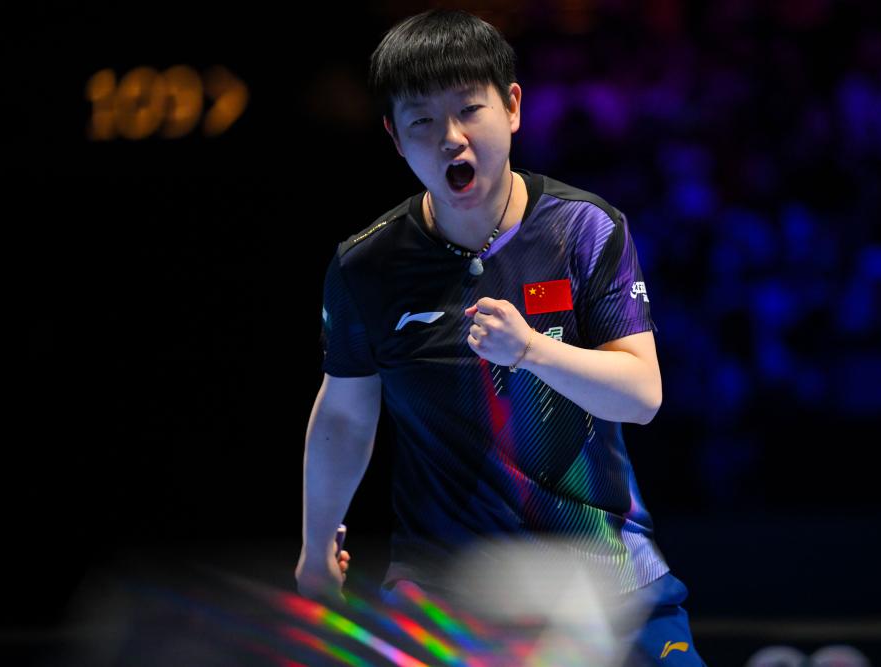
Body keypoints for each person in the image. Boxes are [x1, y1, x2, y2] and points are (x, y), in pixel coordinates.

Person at [295, 8, 706, 666]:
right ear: (394, 137)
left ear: (512, 106)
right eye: (422, 121)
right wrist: (315, 549)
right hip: (445, 592)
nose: (450, 139)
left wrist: (533, 351)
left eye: (469, 110)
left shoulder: (584, 230)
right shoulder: (363, 268)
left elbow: (641, 394)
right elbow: (344, 416)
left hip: (604, 574)